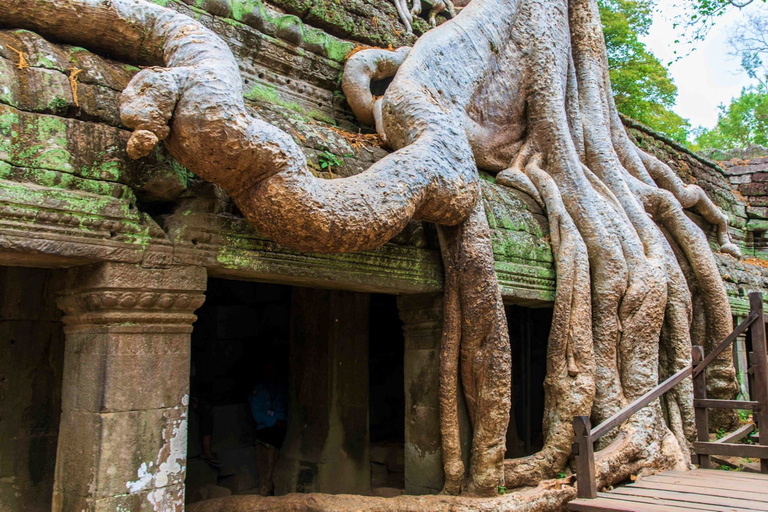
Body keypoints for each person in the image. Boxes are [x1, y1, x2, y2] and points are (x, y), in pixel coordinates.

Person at [249, 359, 288, 496]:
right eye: (268, 370)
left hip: (283, 429)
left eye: (274, 370)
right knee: (266, 475)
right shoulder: (259, 389)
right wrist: (276, 422)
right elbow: (257, 413)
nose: (272, 373)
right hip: (266, 430)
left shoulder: (282, 387)